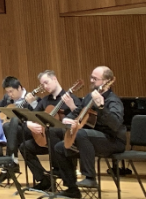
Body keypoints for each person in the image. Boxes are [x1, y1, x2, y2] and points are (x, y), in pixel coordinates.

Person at [50, 66, 125, 198]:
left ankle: (90, 177)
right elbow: (78, 112)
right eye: (91, 77)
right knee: (59, 148)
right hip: (89, 141)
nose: (91, 80)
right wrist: (68, 119)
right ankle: (72, 189)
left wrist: (101, 107)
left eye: (95, 79)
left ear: (106, 81)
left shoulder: (113, 100)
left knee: (81, 134)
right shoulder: (89, 97)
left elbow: (115, 125)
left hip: (112, 140)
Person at [20, 70, 83, 191]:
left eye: (46, 82)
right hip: (45, 140)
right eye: (42, 84)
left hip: (62, 141)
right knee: (24, 147)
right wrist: (29, 124)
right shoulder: (44, 101)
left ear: (55, 79)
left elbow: (79, 119)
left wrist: (71, 106)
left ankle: (58, 169)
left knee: (53, 131)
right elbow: (32, 116)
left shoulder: (71, 98)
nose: (44, 86)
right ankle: (44, 179)